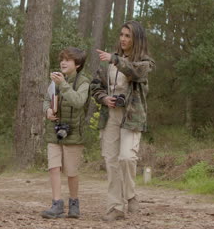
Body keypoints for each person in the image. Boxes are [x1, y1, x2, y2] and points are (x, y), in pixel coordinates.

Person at [90, 20, 155, 221]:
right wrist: (103, 98)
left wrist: (115, 59)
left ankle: (130, 195)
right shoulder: (108, 62)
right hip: (110, 116)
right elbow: (95, 86)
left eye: (128, 36)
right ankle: (115, 207)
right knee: (111, 162)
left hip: (131, 116)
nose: (123, 39)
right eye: (121, 35)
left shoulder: (145, 63)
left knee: (126, 158)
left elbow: (135, 73)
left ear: (137, 39)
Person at [41, 47, 90, 219]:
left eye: (68, 60)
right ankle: (57, 204)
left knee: (71, 172)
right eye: (62, 59)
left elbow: (78, 102)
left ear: (77, 64)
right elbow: (46, 100)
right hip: (54, 132)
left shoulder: (84, 82)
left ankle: (74, 202)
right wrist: (47, 111)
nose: (63, 62)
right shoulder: (54, 80)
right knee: (53, 167)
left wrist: (63, 84)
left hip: (73, 133)